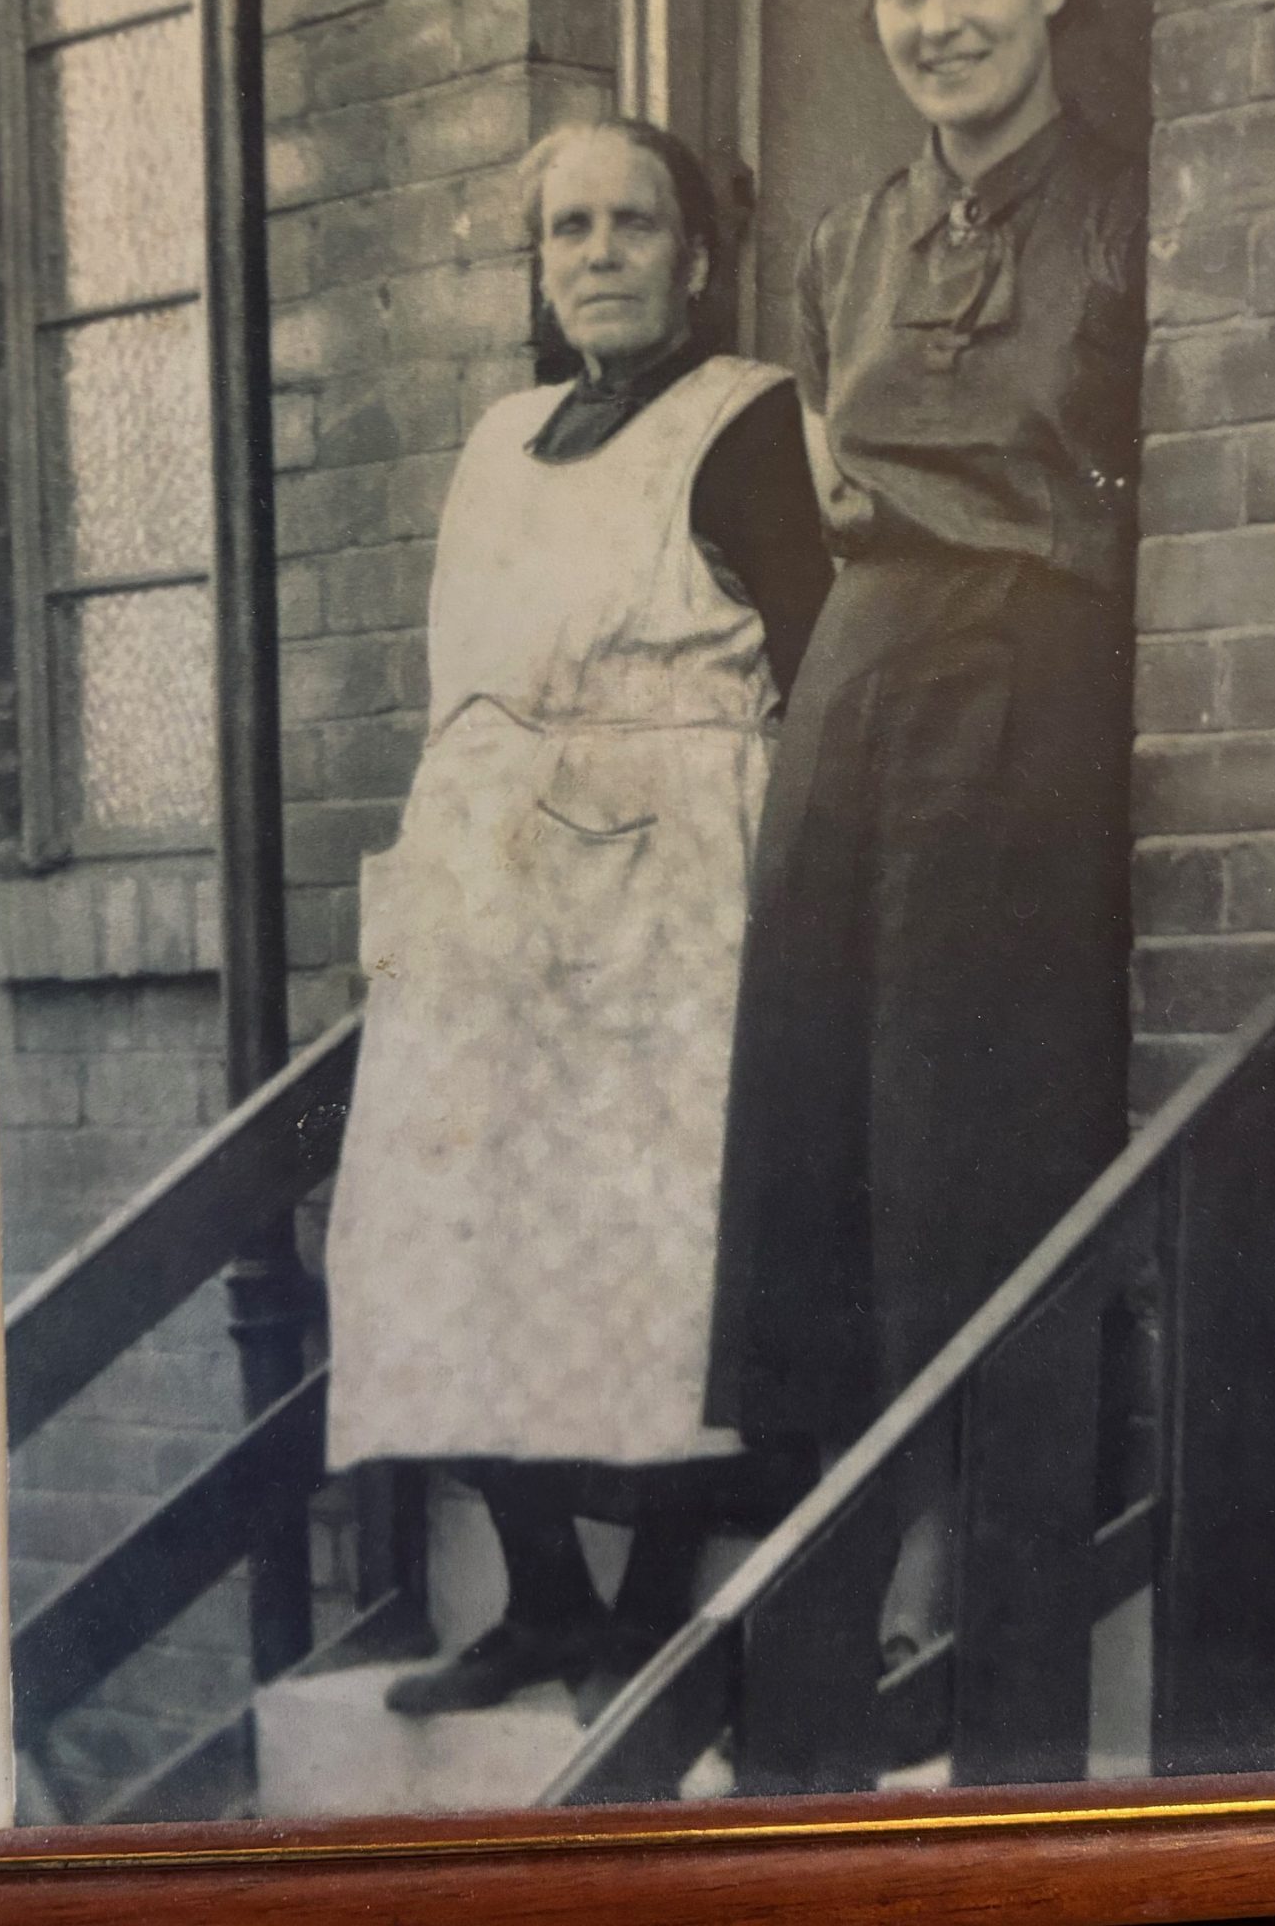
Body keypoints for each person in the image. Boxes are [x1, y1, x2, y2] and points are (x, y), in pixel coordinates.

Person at [325, 114, 830, 1719]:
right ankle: (542, 1597)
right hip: (491, 894)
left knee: (657, 1235)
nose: (600, 253)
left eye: (634, 223)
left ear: (697, 257)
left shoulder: (747, 422)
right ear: (540, 266)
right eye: (570, 228)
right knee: (454, 1224)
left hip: (669, 893)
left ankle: (648, 1613)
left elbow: (814, 677)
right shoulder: (498, 440)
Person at [706, 0, 1142, 1684]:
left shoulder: (1132, 211)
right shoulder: (844, 244)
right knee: (819, 1101)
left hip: (1030, 677)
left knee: (966, 1107)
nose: (939, 17)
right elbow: (828, 489)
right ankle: (850, 1511)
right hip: (860, 678)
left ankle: (965, 1541)